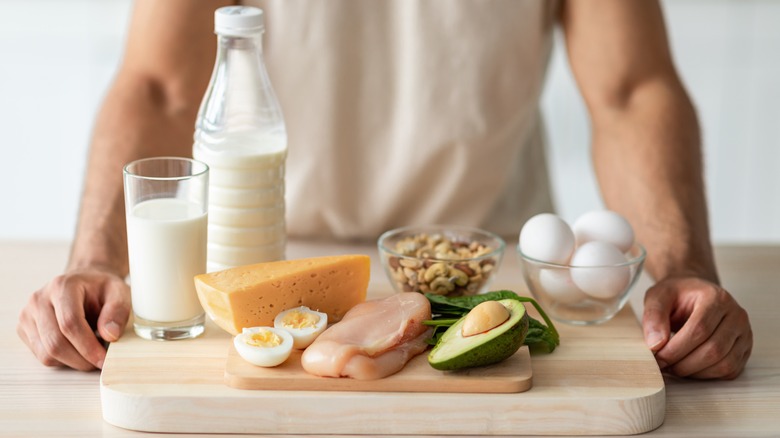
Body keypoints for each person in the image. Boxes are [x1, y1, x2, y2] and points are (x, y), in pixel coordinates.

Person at [17, 0, 752, 379]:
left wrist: (685, 270)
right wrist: (96, 258)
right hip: (272, 276)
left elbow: (632, 90)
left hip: (484, 276)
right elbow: (158, 85)